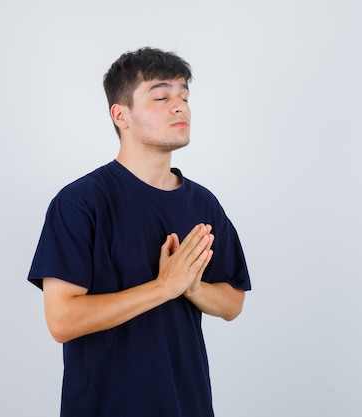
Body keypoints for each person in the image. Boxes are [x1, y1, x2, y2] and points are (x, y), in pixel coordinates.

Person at [28, 47, 251, 417]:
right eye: (161, 96)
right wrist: (164, 288)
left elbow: (233, 302)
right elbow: (61, 320)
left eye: (184, 96)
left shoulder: (204, 205)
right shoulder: (80, 202)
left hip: (188, 405)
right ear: (121, 115)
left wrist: (193, 288)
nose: (179, 106)